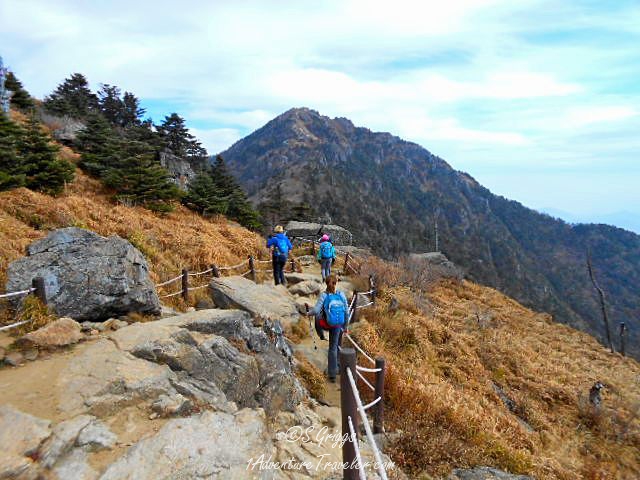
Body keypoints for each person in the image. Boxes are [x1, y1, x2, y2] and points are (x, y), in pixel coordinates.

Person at [305, 274, 349, 382]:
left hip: (327, 324)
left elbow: (315, 311)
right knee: (336, 345)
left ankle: (332, 373)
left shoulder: (324, 295)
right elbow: (346, 312)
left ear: (326, 283)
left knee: (332, 348)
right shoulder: (341, 295)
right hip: (338, 324)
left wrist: (308, 313)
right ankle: (335, 369)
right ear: (336, 283)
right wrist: (346, 326)